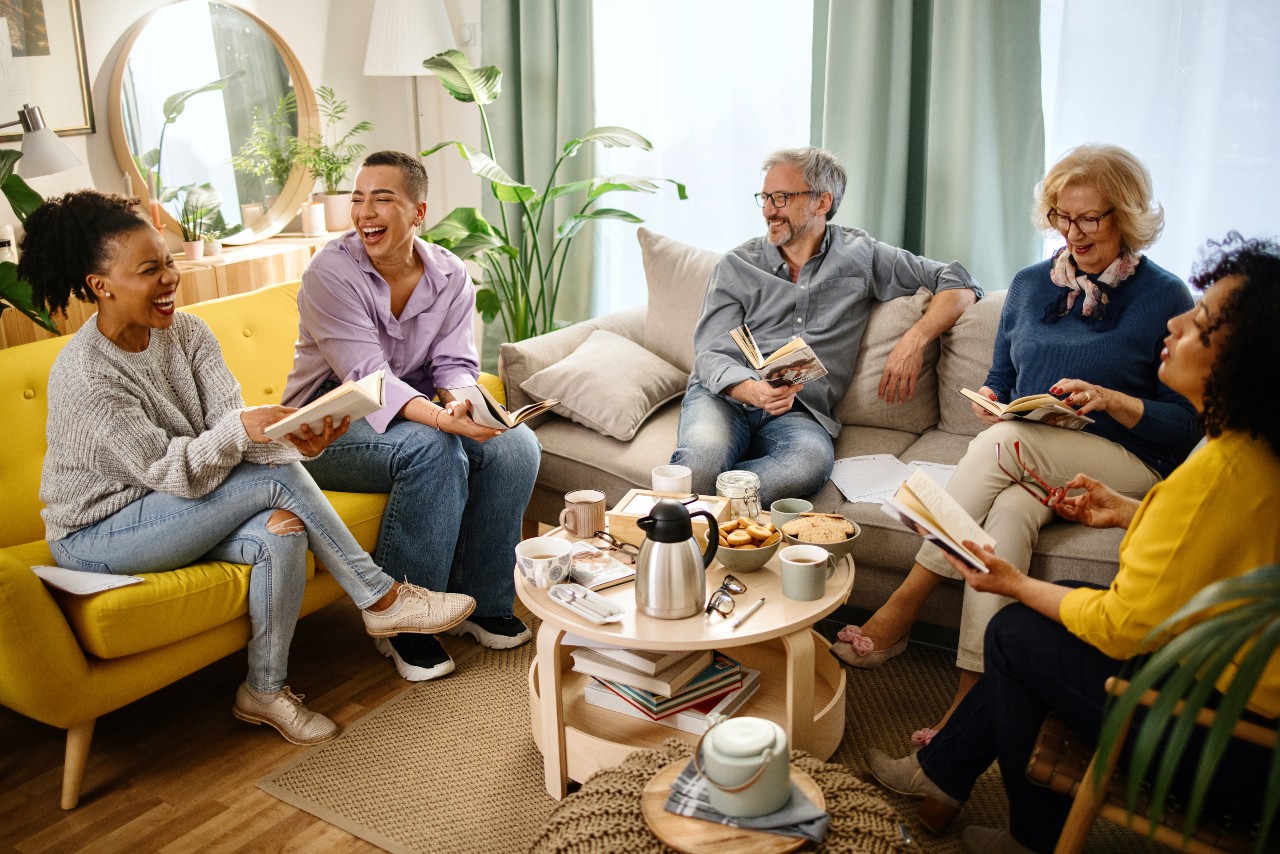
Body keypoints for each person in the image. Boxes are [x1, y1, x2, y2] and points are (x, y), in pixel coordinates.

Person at [864, 233, 1280, 853]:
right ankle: (944, 776)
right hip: (1228, 698)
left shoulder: (1218, 468)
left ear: (1242, 359)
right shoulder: (1248, 451)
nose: (1175, 322)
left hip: (1223, 743)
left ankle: (1028, 837)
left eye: (1199, 323)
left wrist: (1012, 583)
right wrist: (1129, 512)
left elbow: (1119, 627)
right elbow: (1211, 542)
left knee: (1016, 631)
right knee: (1034, 603)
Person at [25, 190, 475, 746]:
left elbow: (229, 426)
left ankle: (264, 691)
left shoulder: (188, 334)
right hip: (99, 533)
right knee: (267, 483)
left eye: (169, 261)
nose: (169, 278)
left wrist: (300, 442)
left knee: (281, 534)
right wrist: (249, 434)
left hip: (177, 507)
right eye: (150, 270)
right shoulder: (87, 374)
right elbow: (175, 471)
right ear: (102, 285)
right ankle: (381, 597)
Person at [835, 145, 1203, 739]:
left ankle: (905, 600)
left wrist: (1114, 402)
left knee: (1007, 445)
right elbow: (1003, 379)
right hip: (1031, 447)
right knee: (1004, 513)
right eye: (1062, 215)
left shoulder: (1165, 296)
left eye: (1090, 218)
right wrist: (991, 401)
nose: (1073, 232)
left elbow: (1186, 425)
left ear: (1126, 217)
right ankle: (967, 706)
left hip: (1130, 459)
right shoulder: (1031, 285)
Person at [282, 150, 541, 683]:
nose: (364, 212)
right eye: (358, 198)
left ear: (418, 212)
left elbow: (453, 364)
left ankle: (481, 600)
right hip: (325, 428)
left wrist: (463, 402)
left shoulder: (449, 274)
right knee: (431, 448)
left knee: (516, 446)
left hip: (410, 415)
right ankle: (403, 622)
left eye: (383, 198)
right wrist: (444, 422)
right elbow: (367, 379)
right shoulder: (331, 273)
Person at [671, 146, 982, 507]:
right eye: (765, 197)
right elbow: (711, 354)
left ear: (822, 203)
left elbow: (958, 281)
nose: (769, 210)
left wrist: (915, 339)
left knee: (807, 465)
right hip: (725, 397)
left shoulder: (862, 256)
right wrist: (754, 391)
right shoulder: (737, 265)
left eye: (782, 198)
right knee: (701, 463)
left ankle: (705, 516)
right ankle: (714, 520)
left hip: (801, 411)